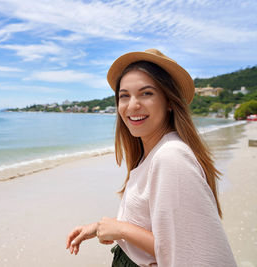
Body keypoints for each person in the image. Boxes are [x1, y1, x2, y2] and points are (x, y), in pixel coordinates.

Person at [66, 49, 236, 266]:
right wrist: (101, 227)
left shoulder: (171, 157)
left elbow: (188, 251)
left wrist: (120, 229)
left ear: (170, 101)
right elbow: (162, 232)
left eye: (146, 93)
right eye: (124, 95)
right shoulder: (154, 154)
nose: (132, 105)